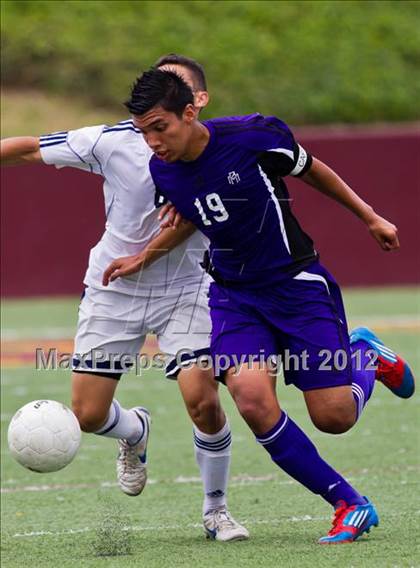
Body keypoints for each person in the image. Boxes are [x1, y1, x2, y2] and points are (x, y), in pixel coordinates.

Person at [119, 68, 415, 544]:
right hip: (234, 296)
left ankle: (365, 356)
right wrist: (146, 254)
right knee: (253, 400)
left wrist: (370, 216)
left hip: (296, 285)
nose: (153, 141)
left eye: (160, 127)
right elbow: (198, 215)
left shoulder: (252, 135)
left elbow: (314, 169)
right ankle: (349, 503)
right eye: (143, 132)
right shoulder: (163, 169)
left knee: (334, 419)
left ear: (190, 112)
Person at [0, 55, 249, 542]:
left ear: (197, 102)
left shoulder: (222, 148)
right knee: (89, 416)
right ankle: (134, 431)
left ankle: (216, 509)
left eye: (176, 87)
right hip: (115, 287)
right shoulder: (112, 141)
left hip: (190, 287)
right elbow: (31, 149)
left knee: (202, 400)